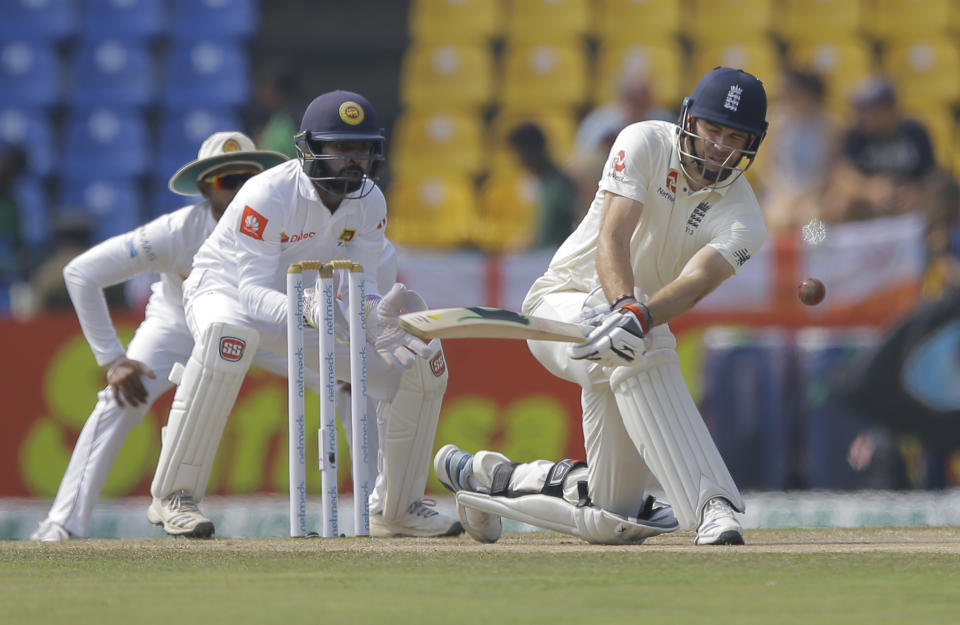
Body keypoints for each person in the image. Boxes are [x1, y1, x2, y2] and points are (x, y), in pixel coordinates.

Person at [434, 67, 770, 546]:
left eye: (734, 137)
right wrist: (628, 308)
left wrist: (638, 316)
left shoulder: (745, 217)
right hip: (561, 307)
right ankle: (712, 505)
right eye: (713, 130)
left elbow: (697, 281)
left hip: (627, 336)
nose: (720, 146)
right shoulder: (643, 141)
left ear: (752, 143)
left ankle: (487, 478)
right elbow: (614, 234)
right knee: (646, 340)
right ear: (690, 120)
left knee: (614, 518)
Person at [147, 90, 462, 539]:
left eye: (362, 149)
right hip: (226, 290)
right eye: (341, 149)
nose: (354, 161)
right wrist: (312, 309)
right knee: (226, 339)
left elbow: (364, 284)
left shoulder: (370, 201)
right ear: (311, 149)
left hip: (311, 307)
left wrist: (378, 320)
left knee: (413, 370)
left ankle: (396, 507)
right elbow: (252, 290)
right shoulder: (268, 193)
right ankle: (173, 496)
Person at [30, 132, 289, 541]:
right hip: (179, 328)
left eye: (248, 179)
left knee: (345, 378)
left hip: (260, 326)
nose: (240, 190)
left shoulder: (285, 226)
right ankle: (62, 524)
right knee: (119, 401)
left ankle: (385, 503)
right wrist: (113, 360)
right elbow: (80, 272)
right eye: (227, 181)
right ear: (205, 188)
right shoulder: (176, 232)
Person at [821, 76, 936, 224]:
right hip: (869, 202)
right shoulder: (855, 135)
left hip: (912, 200)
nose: (863, 116)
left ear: (890, 108)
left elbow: (931, 175)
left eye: (870, 110)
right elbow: (843, 176)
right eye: (860, 110)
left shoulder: (915, 132)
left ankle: (937, 245)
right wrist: (871, 190)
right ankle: (817, 243)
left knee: (941, 197)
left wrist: (914, 193)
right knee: (836, 204)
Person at [507, 122, 576, 250]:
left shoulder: (556, 187)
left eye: (519, 153)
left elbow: (545, 236)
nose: (517, 159)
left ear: (529, 151)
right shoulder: (541, 181)